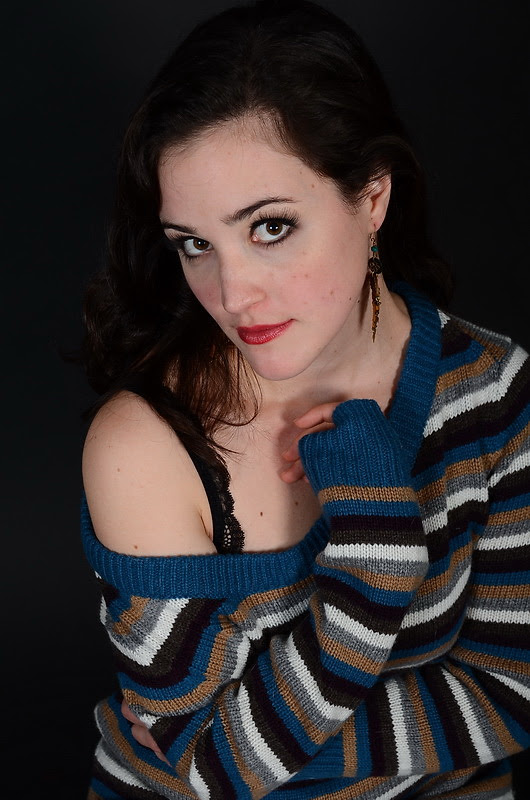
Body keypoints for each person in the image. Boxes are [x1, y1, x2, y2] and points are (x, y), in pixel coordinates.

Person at [79, 1, 530, 798]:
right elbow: (214, 776)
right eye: (195, 244)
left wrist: (257, 744)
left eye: (270, 227)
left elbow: (510, 698)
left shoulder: (496, 392)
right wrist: (374, 562)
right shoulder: (145, 445)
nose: (233, 294)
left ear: (372, 198)